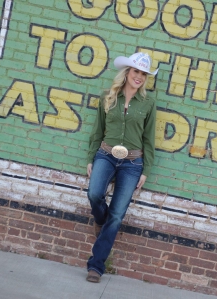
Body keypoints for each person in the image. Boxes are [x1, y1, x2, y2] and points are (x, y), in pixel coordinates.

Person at [85, 52, 158, 283]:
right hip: (105, 155)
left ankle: (96, 266)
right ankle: (100, 220)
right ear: (127, 72)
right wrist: (90, 157)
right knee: (95, 194)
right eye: (136, 71)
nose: (139, 77)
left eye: (144, 74)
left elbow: (149, 138)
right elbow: (98, 130)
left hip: (132, 163)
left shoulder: (148, 103)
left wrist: (146, 170)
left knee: (117, 215)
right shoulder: (108, 96)